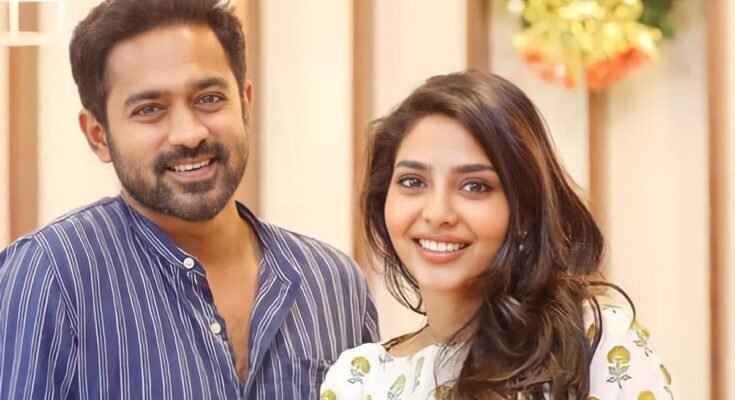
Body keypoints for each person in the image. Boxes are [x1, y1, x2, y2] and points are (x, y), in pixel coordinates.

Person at [0, 0, 378, 399]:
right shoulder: (51, 276)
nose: (189, 133)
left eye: (209, 99)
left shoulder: (333, 283)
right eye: (150, 109)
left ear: (245, 103)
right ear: (98, 135)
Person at [320, 71, 672, 399]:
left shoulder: (595, 336)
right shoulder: (358, 379)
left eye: (474, 186)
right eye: (413, 182)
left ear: (525, 211)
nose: (437, 213)